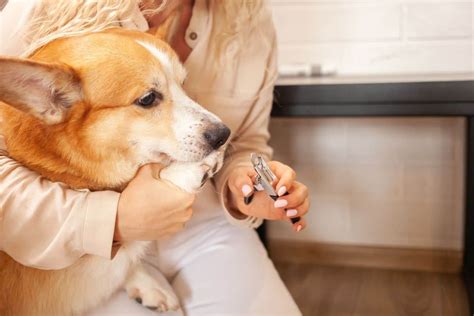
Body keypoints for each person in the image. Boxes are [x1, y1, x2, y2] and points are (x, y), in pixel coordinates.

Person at [0, 0, 310, 315]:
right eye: (149, 99)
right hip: (76, 240)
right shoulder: (41, 8)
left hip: (205, 225)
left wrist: (245, 184)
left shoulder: (251, 21)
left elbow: (247, 143)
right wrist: (114, 220)